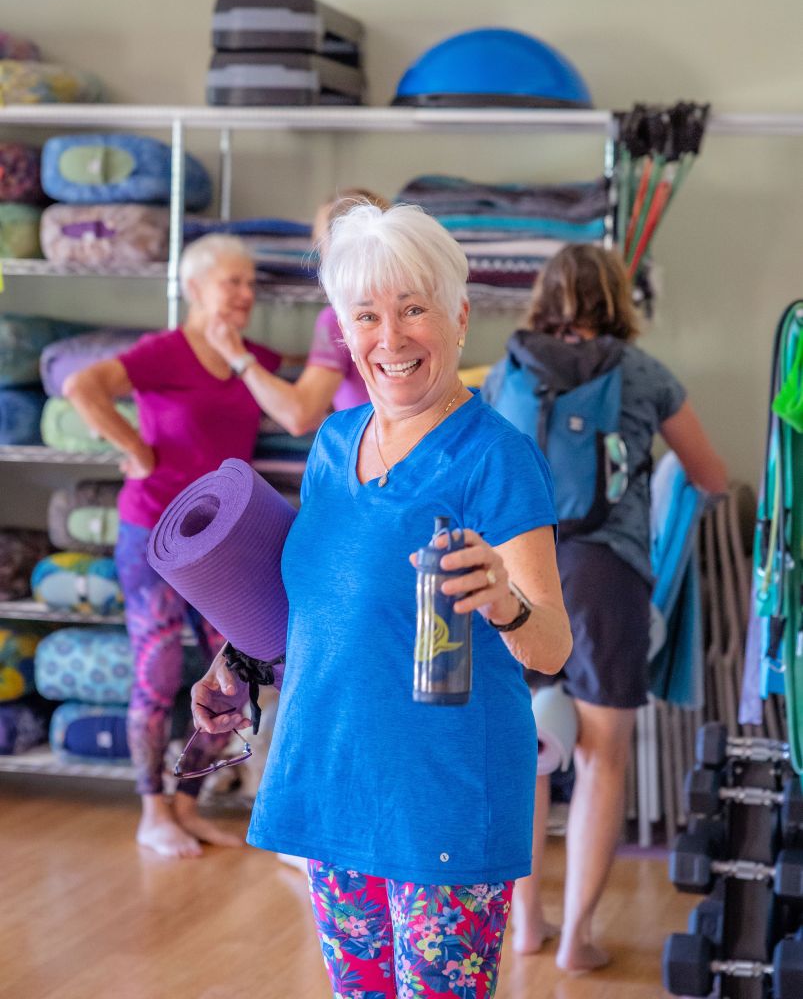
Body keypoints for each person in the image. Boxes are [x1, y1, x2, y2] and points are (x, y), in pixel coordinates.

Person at [191, 203, 573, 998]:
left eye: (412, 309)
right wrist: (238, 663)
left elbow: (550, 646)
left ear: (458, 316)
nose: (389, 338)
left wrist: (502, 600)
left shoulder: (496, 459)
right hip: (333, 775)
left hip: (441, 796)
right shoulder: (334, 443)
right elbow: (323, 605)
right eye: (366, 315)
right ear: (344, 327)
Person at [499, 244, 728, 971]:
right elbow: (710, 475)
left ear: (544, 297)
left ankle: (525, 925)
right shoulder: (642, 372)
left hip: (515, 574)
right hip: (606, 575)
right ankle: (576, 939)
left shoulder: (509, 368)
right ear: (617, 298)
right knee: (601, 759)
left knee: (525, 753)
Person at [64, 234, 284, 859]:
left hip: (221, 549)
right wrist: (135, 450)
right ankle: (152, 813)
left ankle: (188, 805)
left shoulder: (250, 358)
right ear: (193, 289)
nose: (245, 294)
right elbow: (82, 385)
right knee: (157, 673)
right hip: (152, 535)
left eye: (250, 283)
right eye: (232, 282)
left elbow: (304, 384)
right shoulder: (164, 352)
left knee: (237, 675)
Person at [207, 188, 389, 435]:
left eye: (321, 240)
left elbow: (300, 416)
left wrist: (237, 356)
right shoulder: (415, 306)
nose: (317, 249)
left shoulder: (341, 319)